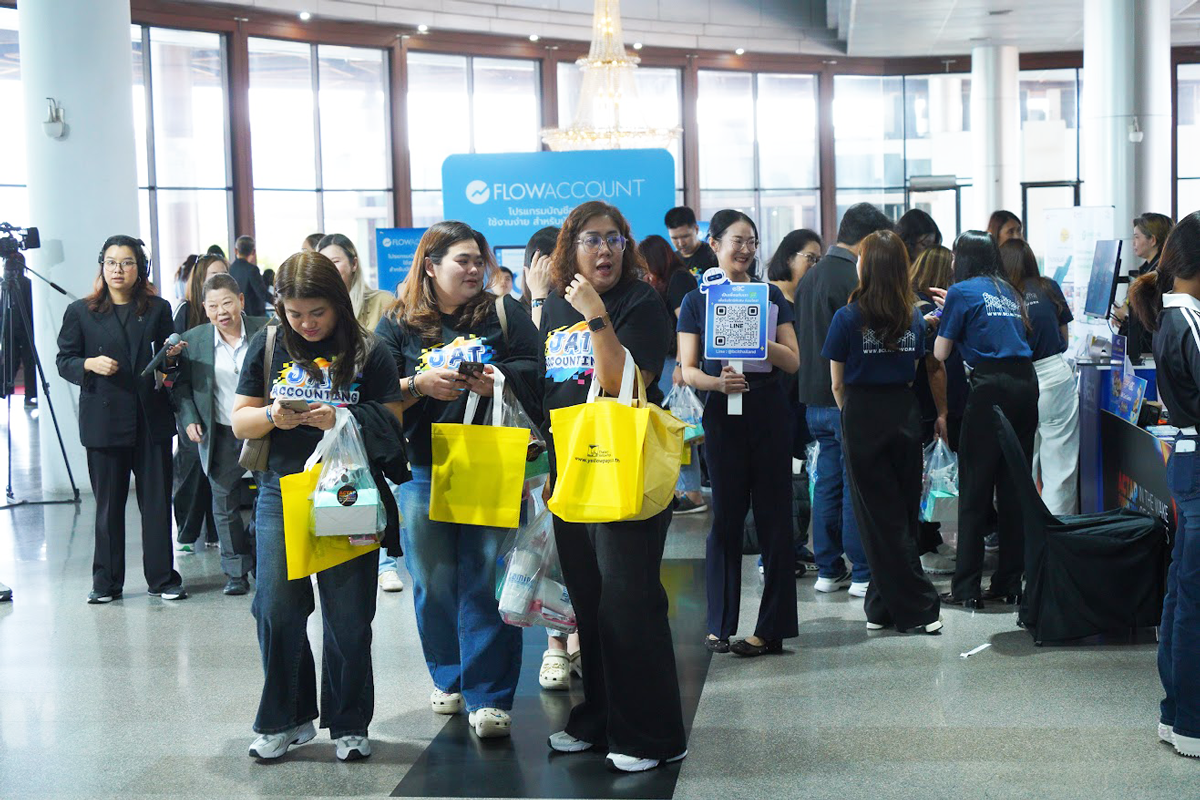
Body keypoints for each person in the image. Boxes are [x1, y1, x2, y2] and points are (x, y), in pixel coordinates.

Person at [231, 250, 403, 762]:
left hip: (348, 490)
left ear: (338, 303)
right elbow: (239, 421)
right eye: (294, 313)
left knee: (348, 616)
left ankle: (350, 722)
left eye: (317, 313)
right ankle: (286, 719)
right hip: (280, 493)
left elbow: (392, 422)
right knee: (276, 609)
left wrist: (341, 418)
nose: (305, 323)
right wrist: (272, 416)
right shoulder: (268, 344)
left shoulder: (369, 350)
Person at [374, 221, 538, 740]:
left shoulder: (502, 312)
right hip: (420, 467)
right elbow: (375, 391)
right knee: (433, 581)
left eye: (477, 260)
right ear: (430, 265)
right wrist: (417, 384)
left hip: (488, 459)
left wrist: (497, 381)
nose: (473, 270)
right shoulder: (398, 321)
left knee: (486, 576)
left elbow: (536, 369)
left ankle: (490, 695)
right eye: (462, 261)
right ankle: (448, 676)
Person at [539, 200, 686, 772]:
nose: (605, 250)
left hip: (625, 471)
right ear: (570, 248)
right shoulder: (558, 304)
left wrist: (598, 316)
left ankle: (652, 735)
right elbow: (555, 390)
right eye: (592, 240)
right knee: (592, 605)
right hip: (573, 472)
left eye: (614, 239)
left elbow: (625, 381)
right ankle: (600, 718)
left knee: (631, 604)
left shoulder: (640, 303)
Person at [678, 209, 800, 657]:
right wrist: (716, 383)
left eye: (752, 242)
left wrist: (756, 338)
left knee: (775, 519)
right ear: (714, 244)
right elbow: (687, 369)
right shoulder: (697, 300)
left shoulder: (770, 294)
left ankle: (772, 629)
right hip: (722, 411)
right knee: (726, 518)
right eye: (737, 240)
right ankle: (719, 625)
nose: (746, 249)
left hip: (768, 407)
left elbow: (794, 361)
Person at [56, 235, 187, 604]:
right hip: (104, 419)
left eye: (127, 262)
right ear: (102, 266)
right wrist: (88, 363)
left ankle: (162, 579)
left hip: (150, 418)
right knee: (108, 507)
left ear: (140, 269)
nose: (118, 269)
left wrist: (172, 357)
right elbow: (64, 360)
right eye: (111, 262)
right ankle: (106, 582)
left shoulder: (158, 309)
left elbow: (171, 365)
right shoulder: (81, 311)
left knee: (157, 504)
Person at [824, 229, 943, 634]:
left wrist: (853, 416)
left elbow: (836, 384)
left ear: (867, 266)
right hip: (904, 412)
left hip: (862, 415)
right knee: (902, 512)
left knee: (878, 517)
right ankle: (880, 607)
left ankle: (920, 608)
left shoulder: (847, 318)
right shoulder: (914, 317)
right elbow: (913, 370)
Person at [1127, 210, 1200, 759]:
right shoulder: (1187, 319)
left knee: (1184, 590)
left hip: (1188, 463)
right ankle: (1191, 719)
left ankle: (1177, 713)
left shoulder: (1173, 315)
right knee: (1192, 597)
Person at [934, 231, 1039, 608]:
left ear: (964, 258)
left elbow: (940, 351)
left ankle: (966, 588)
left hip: (990, 387)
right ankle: (1010, 582)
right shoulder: (1008, 290)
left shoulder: (961, 291)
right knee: (1012, 487)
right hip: (1026, 385)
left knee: (975, 488)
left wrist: (944, 317)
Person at [796, 203, 893, 596]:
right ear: (867, 240)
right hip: (845, 397)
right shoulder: (853, 278)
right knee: (857, 485)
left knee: (827, 483)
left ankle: (828, 568)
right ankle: (864, 572)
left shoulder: (810, 276)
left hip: (812, 398)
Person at [172, 273, 268, 595]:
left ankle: (260, 556)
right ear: (204, 308)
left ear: (241, 301)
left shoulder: (268, 330)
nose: (221, 312)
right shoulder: (194, 340)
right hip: (222, 431)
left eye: (227, 303)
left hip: (261, 426)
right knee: (224, 502)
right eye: (213, 306)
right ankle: (235, 572)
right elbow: (181, 387)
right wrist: (189, 418)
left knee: (269, 495)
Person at [319, 233, 402, 591]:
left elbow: (389, 362)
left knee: (375, 485)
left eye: (336, 260)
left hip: (367, 409)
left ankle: (385, 563)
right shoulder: (311, 313)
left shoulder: (381, 302)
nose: (330, 268)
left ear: (353, 263)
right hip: (325, 419)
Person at [1000, 238, 1078, 516]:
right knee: (1061, 464)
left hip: (1017, 379)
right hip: (1054, 375)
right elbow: (1064, 339)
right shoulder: (1048, 287)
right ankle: (1058, 532)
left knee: (1022, 463)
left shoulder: (1000, 294)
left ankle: (1024, 532)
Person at [765, 228, 824, 575]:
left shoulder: (805, 298)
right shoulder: (771, 299)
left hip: (802, 401)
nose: (815, 265)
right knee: (777, 481)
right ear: (788, 258)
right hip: (776, 401)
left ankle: (795, 543)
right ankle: (773, 553)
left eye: (819, 259)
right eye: (810, 258)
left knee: (799, 479)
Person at [640, 234, 704, 515]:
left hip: (675, 363)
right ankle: (681, 489)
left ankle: (691, 492)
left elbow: (685, 324)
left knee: (679, 428)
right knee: (676, 427)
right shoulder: (675, 279)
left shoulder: (678, 280)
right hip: (670, 361)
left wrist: (680, 364)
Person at [909, 245, 963, 575]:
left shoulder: (913, 304)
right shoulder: (928, 312)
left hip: (920, 403)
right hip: (927, 404)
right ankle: (924, 545)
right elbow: (934, 365)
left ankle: (931, 537)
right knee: (925, 476)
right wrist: (942, 412)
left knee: (926, 475)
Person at [172, 251, 229, 555]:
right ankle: (187, 531)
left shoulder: (233, 313)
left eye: (224, 274)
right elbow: (176, 371)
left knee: (219, 469)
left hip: (221, 401)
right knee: (192, 467)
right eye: (213, 276)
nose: (219, 281)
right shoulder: (186, 311)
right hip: (192, 402)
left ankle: (215, 531)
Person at [1117, 213, 1175, 361]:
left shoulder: (1162, 275)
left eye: (1137, 237)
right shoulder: (1145, 269)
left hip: (1151, 353)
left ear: (1152, 240)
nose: (1133, 243)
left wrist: (1127, 316)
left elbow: (1154, 318)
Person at [175, 253, 229, 334]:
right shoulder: (185, 310)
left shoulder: (234, 308)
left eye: (225, 274)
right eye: (215, 275)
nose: (221, 279)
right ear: (200, 279)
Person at [664, 206, 718, 275]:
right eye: (675, 238)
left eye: (685, 236)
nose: (681, 243)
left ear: (696, 229)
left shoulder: (713, 255)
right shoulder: (670, 261)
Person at [523, 226, 559, 329]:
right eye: (558, 260)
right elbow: (538, 339)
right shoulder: (516, 311)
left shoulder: (575, 302)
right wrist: (539, 294)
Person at [229, 235, 270, 317]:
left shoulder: (230, 269)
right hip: (254, 315)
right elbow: (262, 293)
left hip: (237, 314)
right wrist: (279, 301)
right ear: (253, 252)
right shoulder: (252, 270)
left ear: (235, 251)